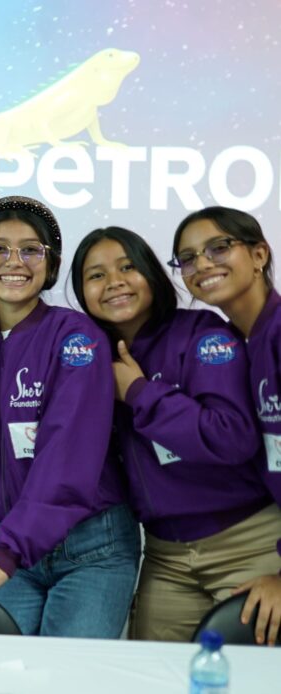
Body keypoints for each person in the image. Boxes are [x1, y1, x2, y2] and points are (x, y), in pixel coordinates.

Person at [0, 196, 139, 638]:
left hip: (88, 547)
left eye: (31, 250)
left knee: (68, 672)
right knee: (1, 670)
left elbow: (68, 454)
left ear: (51, 265)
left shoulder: (77, 337)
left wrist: (7, 554)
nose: (15, 262)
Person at [71, 225, 281, 642]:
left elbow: (231, 437)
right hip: (164, 556)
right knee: (153, 671)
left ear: (152, 274)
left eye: (127, 267)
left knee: (253, 670)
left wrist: (138, 391)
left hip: (247, 543)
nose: (114, 282)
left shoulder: (203, 334)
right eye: (96, 275)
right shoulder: (88, 356)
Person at [170, 206, 281, 646]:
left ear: (259, 255)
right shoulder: (243, 342)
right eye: (188, 258)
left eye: (218, 247)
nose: (202, 264)